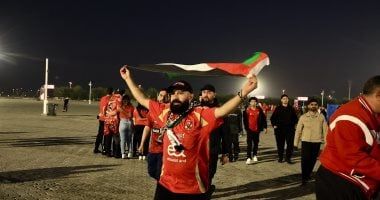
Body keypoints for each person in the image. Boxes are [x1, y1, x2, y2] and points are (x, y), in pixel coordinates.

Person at [119, 65, 257, 200]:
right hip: (165, 185)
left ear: (191, 96)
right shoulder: (164, 112)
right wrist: (128, 79)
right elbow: (142, 99)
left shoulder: (199, 114)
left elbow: (222, 111)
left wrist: (243, 92)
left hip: (192, 189)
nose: (175, 96)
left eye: (180, 93)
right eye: (173, 93)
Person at [315, 75, 380, 200]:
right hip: (339, 182)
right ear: (378, 95)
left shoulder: (373, 112)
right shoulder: (349, 117)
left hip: (359, 181)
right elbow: (354, 158)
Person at [199, 84, 231, 192]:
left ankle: (206, 193)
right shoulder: (195, 109)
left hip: (211, 151)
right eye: (204, 92)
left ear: (214, 94)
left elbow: (226, 134)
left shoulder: (220, 111)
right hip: (194, 150)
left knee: (208, 176)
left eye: (209, 92)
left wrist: (226, 153)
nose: (206, 94)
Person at [294, 98, 327, 186]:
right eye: (311, 104)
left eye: (315, 104)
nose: (313, 106)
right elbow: (298, 131)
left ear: (318, 106)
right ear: (308, 106)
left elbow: (326, 131)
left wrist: (326, 144)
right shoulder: (303, 117)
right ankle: (304, 178)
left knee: (312, 160)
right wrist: (295, 144)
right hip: (306, 141)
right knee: (305, 160)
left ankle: (308, 174)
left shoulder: (321, 117)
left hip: (317, 142)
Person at [138, 88, 169, 180]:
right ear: (157, 96)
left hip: (164, 150)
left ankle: (163, 188)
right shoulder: (152, 112)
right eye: (161, 95)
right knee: (151, 171)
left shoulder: (172, 113)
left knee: (160, 173)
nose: (163, 98)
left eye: (166, 96)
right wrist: (142, 143)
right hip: (153, 148)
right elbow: (147, 127)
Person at [270, 94, 298, 163]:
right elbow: (272, 118)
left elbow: (295, 118)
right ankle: (280, 157)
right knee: (280, 144)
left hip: (290, 130)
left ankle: (288, 158)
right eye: (284, 98)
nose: (285, 100)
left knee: (290, 145)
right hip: (279, 130)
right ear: (281, 100)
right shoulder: (278, 108)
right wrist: (274, 125)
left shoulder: (291, 109)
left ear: (288, 100)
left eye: (286, 98)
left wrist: (294, 124)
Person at [243, 97, 267, 164]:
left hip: (257, 130)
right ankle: (248, 157)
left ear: (256, 103)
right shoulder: (247, 110)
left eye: (254, 101)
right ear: (250, 103)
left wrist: (265, 127)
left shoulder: (259, 110)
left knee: (256, 143)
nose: (253, 103)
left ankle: (255, 155)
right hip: (249, 130)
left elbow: (264, 119)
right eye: (252, 101)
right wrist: (246, 128)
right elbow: (244, 120)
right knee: (249, 144)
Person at [94, 87, 113, 154]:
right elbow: (105, 108)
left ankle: (96, 148)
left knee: (100, 134)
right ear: (112, 92)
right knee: (106, 134)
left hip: (101, 118)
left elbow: (101, 107)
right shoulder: (110, 99)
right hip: (106, 118)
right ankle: (105, 149)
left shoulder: (102, 98)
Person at [103, 89, 122, 158]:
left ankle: (108, 152)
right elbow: (119, 108)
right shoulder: (119, 97)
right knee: (116, 136)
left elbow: (104, 108)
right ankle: (116, 153)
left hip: (107, 119)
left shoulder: (110, 98)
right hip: (114, 120)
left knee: (108, 136)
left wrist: (106, 114)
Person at [118, 94, 135, 159]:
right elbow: (131, 116)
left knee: (122, 140)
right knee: (129, 140)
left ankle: (123, 153)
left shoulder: (121, 106)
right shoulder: (131, 106)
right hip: (129, 123)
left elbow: (118, 106)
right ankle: (130, 153)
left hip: (122, 122)